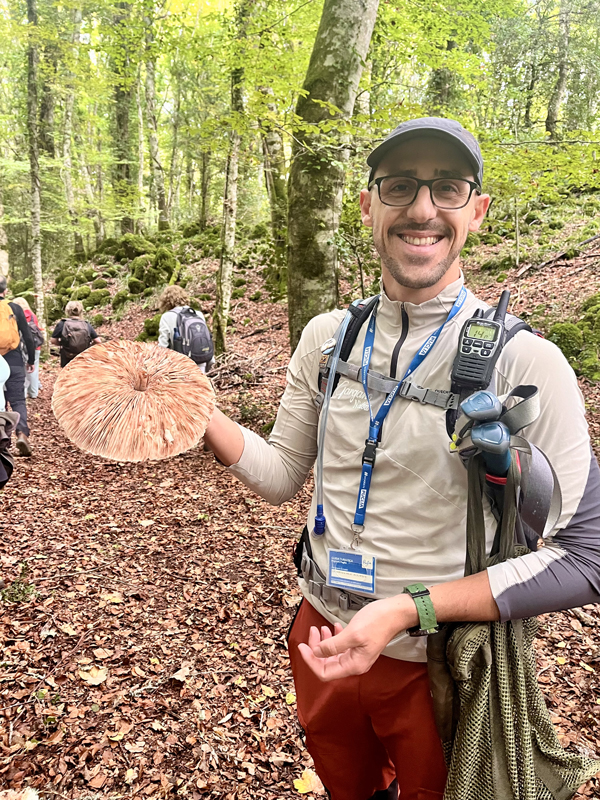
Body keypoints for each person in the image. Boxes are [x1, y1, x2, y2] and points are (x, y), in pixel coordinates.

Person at [203, 118, 600, 800]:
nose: (422, 209)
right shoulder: (328, 338)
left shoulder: (524, 360)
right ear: (368, 206)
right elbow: (281, 475)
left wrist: (406, 610)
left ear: (477, 210)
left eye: (447, 188)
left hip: (437, 659)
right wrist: (195, 413)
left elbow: (586, 558)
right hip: (320, 630)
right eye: (400, 187)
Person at [0, 277, 35, 456]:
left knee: (1, 404)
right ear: (5, 291)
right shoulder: (14, 308)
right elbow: (28, 336)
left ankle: (3, 441)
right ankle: (22, 433)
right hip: (13, 359)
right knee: (18, 400)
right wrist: (31, 360)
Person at [157, 285, 214, 372]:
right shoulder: (198, 314)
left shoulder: (167, 317)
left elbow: (163, 346)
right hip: (201, 361)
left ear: (166, 301)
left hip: (180, 365)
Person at [50, 301, 101, 367]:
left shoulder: (62, 323)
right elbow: (98, 341)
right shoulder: (86, 324)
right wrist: (89, 347)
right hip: (83, 357)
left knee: (67, 372)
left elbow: (53, 341)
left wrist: (63, 343)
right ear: (81, 311)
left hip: (66, 357)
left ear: (67, 311)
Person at [12, 297, 43, 399]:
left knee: (23, 371)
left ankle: (24, 393)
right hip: (35, 346)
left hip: (21, 346)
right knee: (34, 370)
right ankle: (34, 393)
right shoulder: (33, 316)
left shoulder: (16, 316)